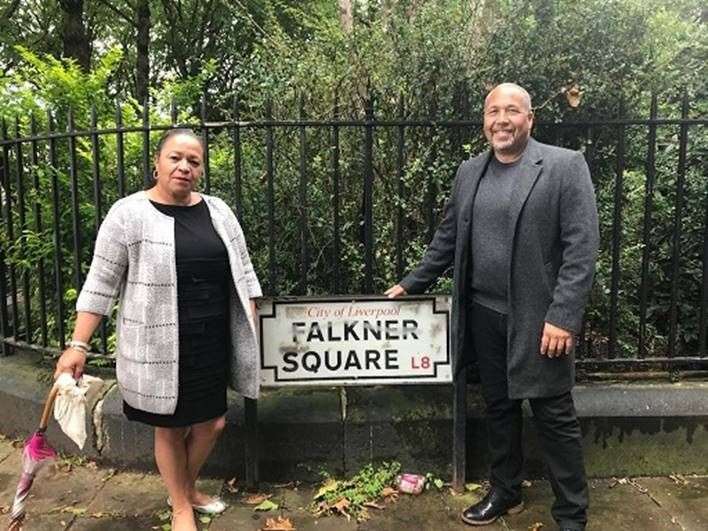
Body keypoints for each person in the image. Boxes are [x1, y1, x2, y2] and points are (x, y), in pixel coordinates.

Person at [386, 83, 598, 530]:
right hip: (483, 313)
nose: (501, 119)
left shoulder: (563, 166)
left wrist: (562, 316)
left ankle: (572, 513)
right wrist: (411, 284)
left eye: (512, 111)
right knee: (498, 407)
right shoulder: (469, 172)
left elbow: (581, 248)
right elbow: (448, 238)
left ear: (529, 119)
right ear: (484, 121)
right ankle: (506, 490)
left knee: (553, 414)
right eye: (493, 111)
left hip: (539, 320)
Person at [54, 128, 262, 531]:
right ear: (157, 162)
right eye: (175, 158)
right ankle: (182, 506)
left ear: (201, 168)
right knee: (170, 426)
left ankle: (181, 490)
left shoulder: (219, 211)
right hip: (157, 345)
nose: (184, 167)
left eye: (194, 161)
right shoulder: (128, 214)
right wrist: (78, 343)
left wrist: (252, 325)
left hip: (210, 341)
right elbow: (100, 282)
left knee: (212, 423)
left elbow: (245, 275)